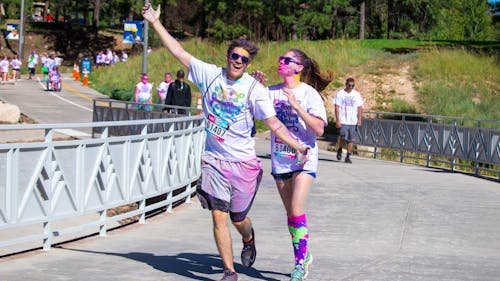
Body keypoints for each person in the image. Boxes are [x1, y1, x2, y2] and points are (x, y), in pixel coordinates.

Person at [142, 4, 309, 281]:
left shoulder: (254, 89)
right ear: (228, 56)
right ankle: (229, 272)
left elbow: (274, 124)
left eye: (243, 60)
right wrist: (156, 22)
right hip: (214, 160)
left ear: (248, 64)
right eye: (234, 56)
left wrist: (297, 145)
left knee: (237, 219)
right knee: (218, 215)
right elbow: (179, 52)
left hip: (243, 163)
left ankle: (248, 237)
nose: (238, 62)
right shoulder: (209, 74)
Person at [264, 49, 332, 281]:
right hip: (280, 160)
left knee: (295, 208)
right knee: (291, 215)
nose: (281, 62)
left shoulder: (309, 94)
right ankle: (304, 251)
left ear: (299, 68)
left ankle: (299, 264)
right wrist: (253, 86)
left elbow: (320, 130)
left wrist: (297, 106)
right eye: (280, 58)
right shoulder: (270, 91)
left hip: (305, 158)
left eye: (287, 60)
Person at [334, 77, 364, 164]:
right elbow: (337, 107)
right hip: (343, 120)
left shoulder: (356, 94)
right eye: (349, 85)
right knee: (343, 137)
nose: (351, 87)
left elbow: (360, 107)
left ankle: (348, 156)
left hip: (353, 121)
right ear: (346, 84)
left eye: (353, 86)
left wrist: (359, 119)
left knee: (351, 139)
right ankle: (340, 149)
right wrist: (338, 120)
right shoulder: (340, 94)